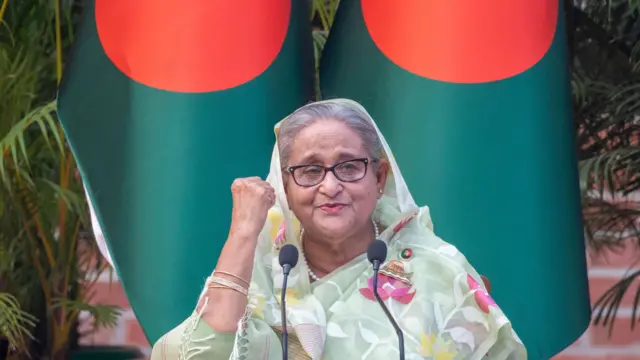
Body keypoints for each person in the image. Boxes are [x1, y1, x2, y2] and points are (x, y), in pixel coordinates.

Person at [149, 99, 527, 359]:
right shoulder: (260, 271)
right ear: (286, 186)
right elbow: (202, 352)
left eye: (349, 167)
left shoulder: (436, 272)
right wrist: (245, 230)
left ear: (379, 177)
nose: (330, 186)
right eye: (310, 170)